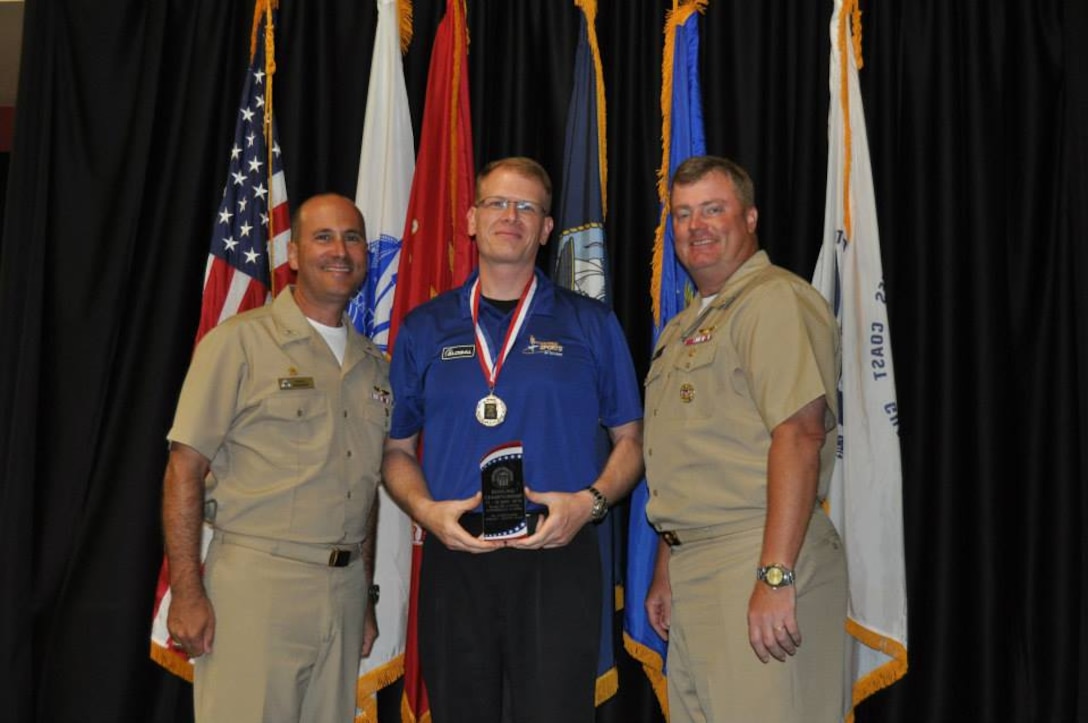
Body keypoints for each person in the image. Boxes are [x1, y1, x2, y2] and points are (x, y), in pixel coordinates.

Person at [382, 157, 644, 722]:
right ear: (472, 219)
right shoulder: (424, 327)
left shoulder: (591, 323)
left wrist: (590, 504)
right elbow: (396, 452)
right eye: (498, 203)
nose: (511, 216)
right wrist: (427, 511)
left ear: (547, 229)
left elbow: (633, 439)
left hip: (557, 551)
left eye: (527, 207)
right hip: (457, 555)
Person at [162, 193, 391, 722]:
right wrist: (186, 591)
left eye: (352, 238)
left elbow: (365, 485)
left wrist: (366, 598)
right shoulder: (238, 344)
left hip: (345, 592)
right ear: (292, 253)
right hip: (258, 587)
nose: (341, 250)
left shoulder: (373, 364)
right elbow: (184, 469)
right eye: (324, 237)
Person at [642, 156, 846, 722]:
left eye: (713, 209)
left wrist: (775, 576)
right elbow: (686, 455)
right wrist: (667, 563)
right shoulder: (686, 325)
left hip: (757, 553)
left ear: (750, 217)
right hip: (697, 568)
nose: (696, 225)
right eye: (682, 214)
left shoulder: (773, 301)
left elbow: (800, 435)